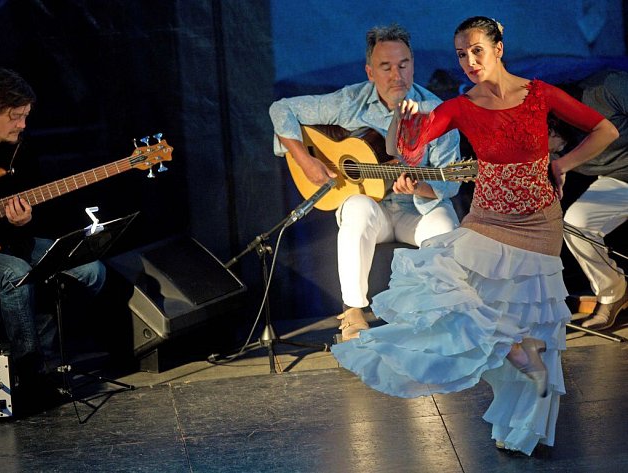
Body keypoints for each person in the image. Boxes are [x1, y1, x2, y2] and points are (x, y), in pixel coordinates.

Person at [332, 16, 619, 456]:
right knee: (449, 283)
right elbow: (402, 151)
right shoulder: (462, 106)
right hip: (488, 220)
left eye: (477, 51)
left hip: (539, 221)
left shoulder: (539, 94)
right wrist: (399, 118)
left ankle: (522, 432)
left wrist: (562, 164)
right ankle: (516, 350)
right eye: (461, 55)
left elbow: (606, 130)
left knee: (538, 323)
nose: (469, 61)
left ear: (498, 48)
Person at [269, 24, 461, 341]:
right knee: (356, 207)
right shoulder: (350, 101)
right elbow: (282, 109)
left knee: (446, 229)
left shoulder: (437, 112)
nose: (396, 75)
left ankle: (437, 315)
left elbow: (450, 181)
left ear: (412, 64)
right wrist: (306, 160)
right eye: (386, 67)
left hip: (418, 210)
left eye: (403, 64)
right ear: (370, 72)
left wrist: (419, 186)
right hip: (375, 212)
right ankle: (354, 312)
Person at [0, 68, 106, 408]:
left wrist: (23, 221)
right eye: (16, 117)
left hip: (10, 243)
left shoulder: (19, 151)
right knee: (15, 273)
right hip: (7, 258)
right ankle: (30, 375)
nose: (22, 125)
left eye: (26, 117)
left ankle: (44, 361)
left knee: (89, 269)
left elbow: (27, 211)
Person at [548, 70, 628, 331]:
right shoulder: (556, 146)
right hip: (618, 181)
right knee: (576, 223)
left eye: (547, 135)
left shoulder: (607, 88)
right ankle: (613, 293)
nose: (548, 147)